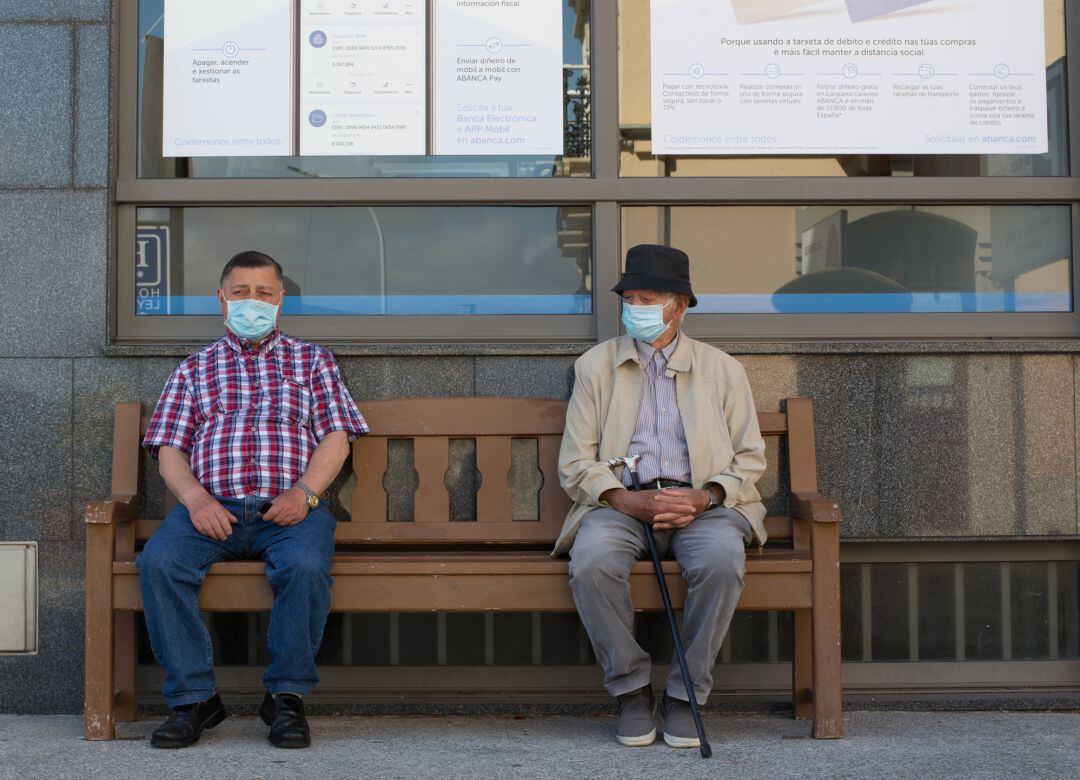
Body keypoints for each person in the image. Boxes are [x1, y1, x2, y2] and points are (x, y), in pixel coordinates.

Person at [138, 250, 368, 749]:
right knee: (159, 563)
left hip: (288, 510)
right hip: (210, 508)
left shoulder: (312, 361)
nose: (252, 302)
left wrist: (305, 494)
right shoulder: (194, 369)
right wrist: (197, 501)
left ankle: (286, 698)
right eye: (240, 292)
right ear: (220, 299)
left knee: (305, 567)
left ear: (280, 300)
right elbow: (170, 451)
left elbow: (336, 438)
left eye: (264, 293)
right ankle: (193, 700)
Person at [557, 244, 767, 748]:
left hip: (704, 507)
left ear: (679, 305)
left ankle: (683, 694)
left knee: (720, 560)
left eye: (646, 298)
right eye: (629, 298)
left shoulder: (721, 370)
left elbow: (750, 457)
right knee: (591, 562)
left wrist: (706, 496)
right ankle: (630, 691)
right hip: (621, 505)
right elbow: (575, 462)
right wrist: (624, 500)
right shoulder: (595, 366)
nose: (635, 308)